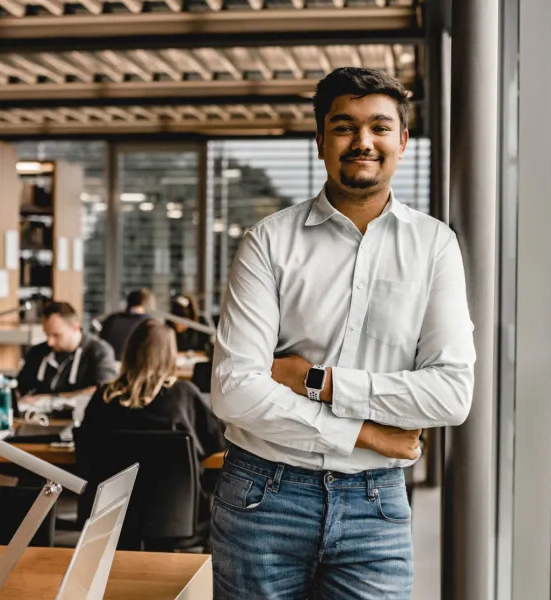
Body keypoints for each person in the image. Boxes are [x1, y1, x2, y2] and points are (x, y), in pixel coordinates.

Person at [209, 67, 476, 599]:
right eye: (344, 127)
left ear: (401, 140)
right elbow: (236, 389)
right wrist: (366, 433)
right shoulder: (268, 242)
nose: (363, 142)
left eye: (379, 127)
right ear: (320, 141)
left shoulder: (434, 246)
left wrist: (316, 381)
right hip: (263, 495)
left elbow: (451, 395)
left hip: (375, 502)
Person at [79, 319, 226, 546]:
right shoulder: (183, 395)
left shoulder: (103, 398)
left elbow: (86, 453)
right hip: (177, 516)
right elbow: (217, 442)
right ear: (171, 354)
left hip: (110, 518)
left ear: (129, 351)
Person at [17, 301, 119, 405]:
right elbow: (21, 388)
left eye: (56, 335)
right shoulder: (38, 351)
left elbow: (103, 390)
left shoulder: (100, 351)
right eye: (47, 334)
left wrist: (48, 398)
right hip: (34, 417)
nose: (50, 342)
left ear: (75, 328)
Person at [97, 288, 155, 356]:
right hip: (133, 363)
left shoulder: (112, 319)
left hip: (110, 360)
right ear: (146, 304)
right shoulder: (148, 323)